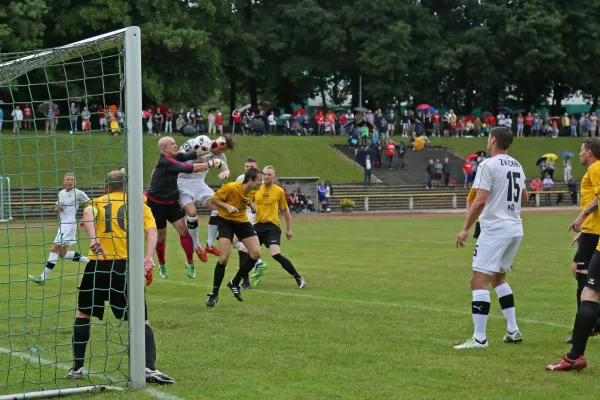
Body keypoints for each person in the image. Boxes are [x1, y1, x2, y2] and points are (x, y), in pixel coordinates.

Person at [66, 170, 174, 384]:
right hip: (125, 267)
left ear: (106, 187)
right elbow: (152, 231)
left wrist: (93, 239)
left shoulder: (96, 202)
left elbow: (87, 217)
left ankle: (77, 367)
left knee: (83, 314)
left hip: (96, 266)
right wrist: (148, 257)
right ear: (126, 187)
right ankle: (148, 368)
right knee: (141, 319)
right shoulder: (138, 204)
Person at [455, 127, 527, 349]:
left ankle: (479, 338)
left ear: (493, 140)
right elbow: (524, 196)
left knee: (478, 279)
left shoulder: (488, 164)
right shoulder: (517, 164)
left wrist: (466, 227)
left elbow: (480, 200)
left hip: (495, 229)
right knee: (498, 278)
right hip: (515, 228)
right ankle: (513, 329)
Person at [144, 137, 222, 280]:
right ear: (164, 149)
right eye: (172, 144)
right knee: (161, 238)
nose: (176, 145)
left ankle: (190, 262)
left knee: (184, 230)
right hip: (156, 205)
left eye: (175, 143)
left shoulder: (175, 156)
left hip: (171, 202)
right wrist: (211, 163)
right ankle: (162, 264)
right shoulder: (166, 162)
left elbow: (190, 154)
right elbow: (189, 168)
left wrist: (208, 145)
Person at [177, 135, 235, 279]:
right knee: (192, 213)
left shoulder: (220, 155)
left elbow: (222, 164)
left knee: (217, 207)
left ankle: (209, 244)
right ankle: (196, 245)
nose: (222, 151)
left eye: (225, 151)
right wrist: (179, 168)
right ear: (219, 142)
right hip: (183, 182)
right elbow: (178, 155)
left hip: (200, 184)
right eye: (223, 148)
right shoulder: (196, 142)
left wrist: (226, 171)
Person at [205, 168, 264, 307]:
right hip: (225, 222)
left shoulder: (253, 190)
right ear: (250, 180)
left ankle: (234, 282)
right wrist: (227, 206)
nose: (261, 182)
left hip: (242, 222)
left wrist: (251, 204)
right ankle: (214, 294)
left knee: (256, 253)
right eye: (259, 180)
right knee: (224, 258)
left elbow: (245, 198)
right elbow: (214, 200)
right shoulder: (230, 187)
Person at [240, 166, 305, 288]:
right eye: (264, 174)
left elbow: (286, 210)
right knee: (243, 250)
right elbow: (247, 201)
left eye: (269, 174)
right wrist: (251, 207)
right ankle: (245, 282)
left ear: (273, 177)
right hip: (258, 226)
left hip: (272, 226)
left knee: (275, 254)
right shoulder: (256, 189)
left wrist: (289, 228)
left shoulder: (279, 191)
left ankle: (298, 277)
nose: (266, 176)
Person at [561, 139, 600, 345]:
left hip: (593, 230)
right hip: (591, 229)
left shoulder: (596, 168)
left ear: (590, 152)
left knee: (585, 276)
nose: (579, 154)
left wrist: (582, 217)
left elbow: (598, 198)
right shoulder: (594, 169)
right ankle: (591, 323)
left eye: (581, 151)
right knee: (580, 271)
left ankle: (586, 325)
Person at [29, 173, 90, 285]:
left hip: (69, 225)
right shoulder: (61, 193)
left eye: (72, 180)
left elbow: (90, 203)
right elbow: (57, 207)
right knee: (63, 254)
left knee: (54, 249)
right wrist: (57, 208)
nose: (70, 181)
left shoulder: (78, 193)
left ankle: (42, 278)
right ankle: (90, 261)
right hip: (64, 225)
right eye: (68, 179)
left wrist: (83, 218)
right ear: (64, 182)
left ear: (74, 182)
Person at [234, 158, 268, 289]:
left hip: (253, 216)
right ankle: (257, 264)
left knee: (241, 246)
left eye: (252, 166)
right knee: (237, 244)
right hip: (241, 213)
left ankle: (245, 281)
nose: (249, 168)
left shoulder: (261, 182)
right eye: (247, 166)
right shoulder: (240, 178)